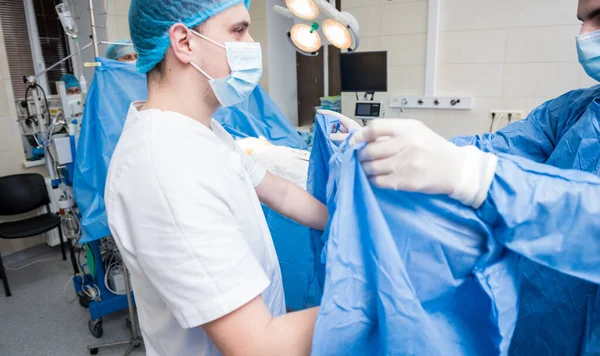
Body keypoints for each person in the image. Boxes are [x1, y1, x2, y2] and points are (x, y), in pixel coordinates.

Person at [336, 0, 600, 353]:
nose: (583, 35)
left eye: (598, 17)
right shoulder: (576, 111)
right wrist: (394, 144)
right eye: (582, 21)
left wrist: (475, 177)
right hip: (547, 325)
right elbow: (500, 146)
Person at [105, 1, 328, 355]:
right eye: (238, 31)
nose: (252, 44)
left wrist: (348, 224)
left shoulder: (202, 133)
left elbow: (281, 194)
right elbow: (261, 344)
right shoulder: (165, 168)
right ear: (184, 42)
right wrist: (381, 300)